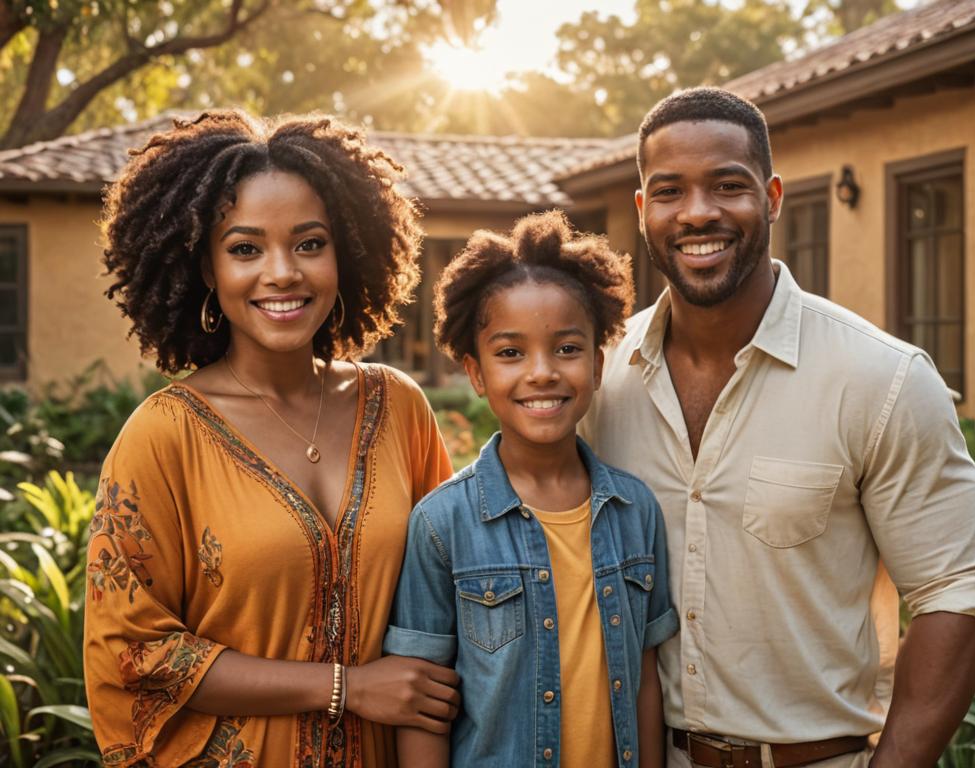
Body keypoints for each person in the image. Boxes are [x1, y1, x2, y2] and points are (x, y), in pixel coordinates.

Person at [579, 87, 975, 767]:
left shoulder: (882, 379)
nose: (698, 213)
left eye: (728, 186)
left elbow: (960, 592)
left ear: (773, 198)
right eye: (670, 192)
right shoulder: (598, 380)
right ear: (642, 210)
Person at [85, 110, 460, 767]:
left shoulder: (399, 407)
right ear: (207, 267)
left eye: (310, 244)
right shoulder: (163, 435)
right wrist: (348, 688)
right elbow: (134, 648)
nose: (282, 272)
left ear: (346, 253)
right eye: (245, 248)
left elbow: (455, 591)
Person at [382, 211, 679, 767]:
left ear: (596, 365)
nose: (541, 373)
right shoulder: (442, 524)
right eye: (511, 353)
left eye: (566, 350)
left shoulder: (636, 510)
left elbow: (645, 680)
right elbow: (422, 702)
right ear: (475, 373)